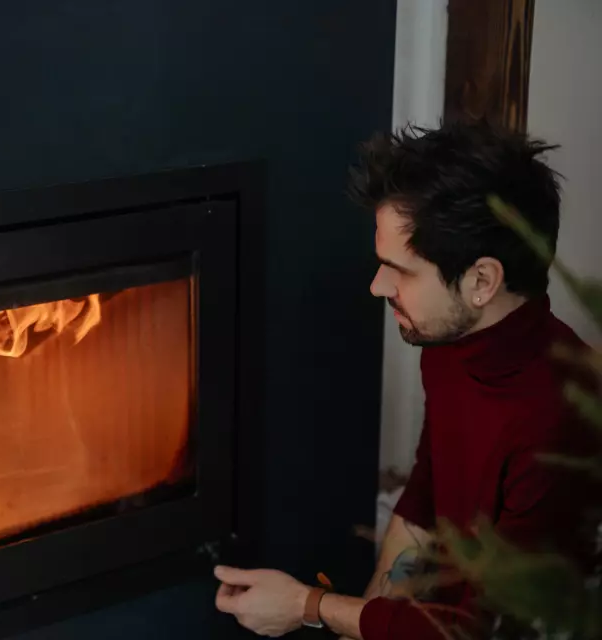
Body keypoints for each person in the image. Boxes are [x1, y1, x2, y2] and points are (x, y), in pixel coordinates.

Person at [214, 120, 592, 639]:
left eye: (402, 270)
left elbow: (483, 632)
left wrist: (309, 605)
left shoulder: (556, 421)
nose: (377, 286)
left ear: (482, 280)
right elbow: (424, 499)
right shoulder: (451, 344)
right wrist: (362, 620)